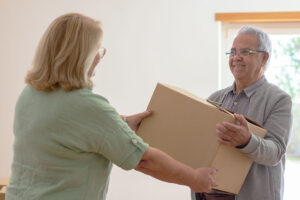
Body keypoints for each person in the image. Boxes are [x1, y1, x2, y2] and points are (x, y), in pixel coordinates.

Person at [5, 13, 218, 200]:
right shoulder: (88, 106)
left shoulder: (31, 93)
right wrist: (194, 178)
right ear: (82, 56)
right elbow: (144, 160)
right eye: (97, 49)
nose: (100, 55)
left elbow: (65, 129)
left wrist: (121, 122)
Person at [192, 26, 293, 200]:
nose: (236, 58)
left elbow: (275, 152)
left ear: (264, 58)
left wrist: (247, 141)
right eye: (232, 52)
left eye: (245, 52)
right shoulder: (215, 98)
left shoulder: (279, 100)